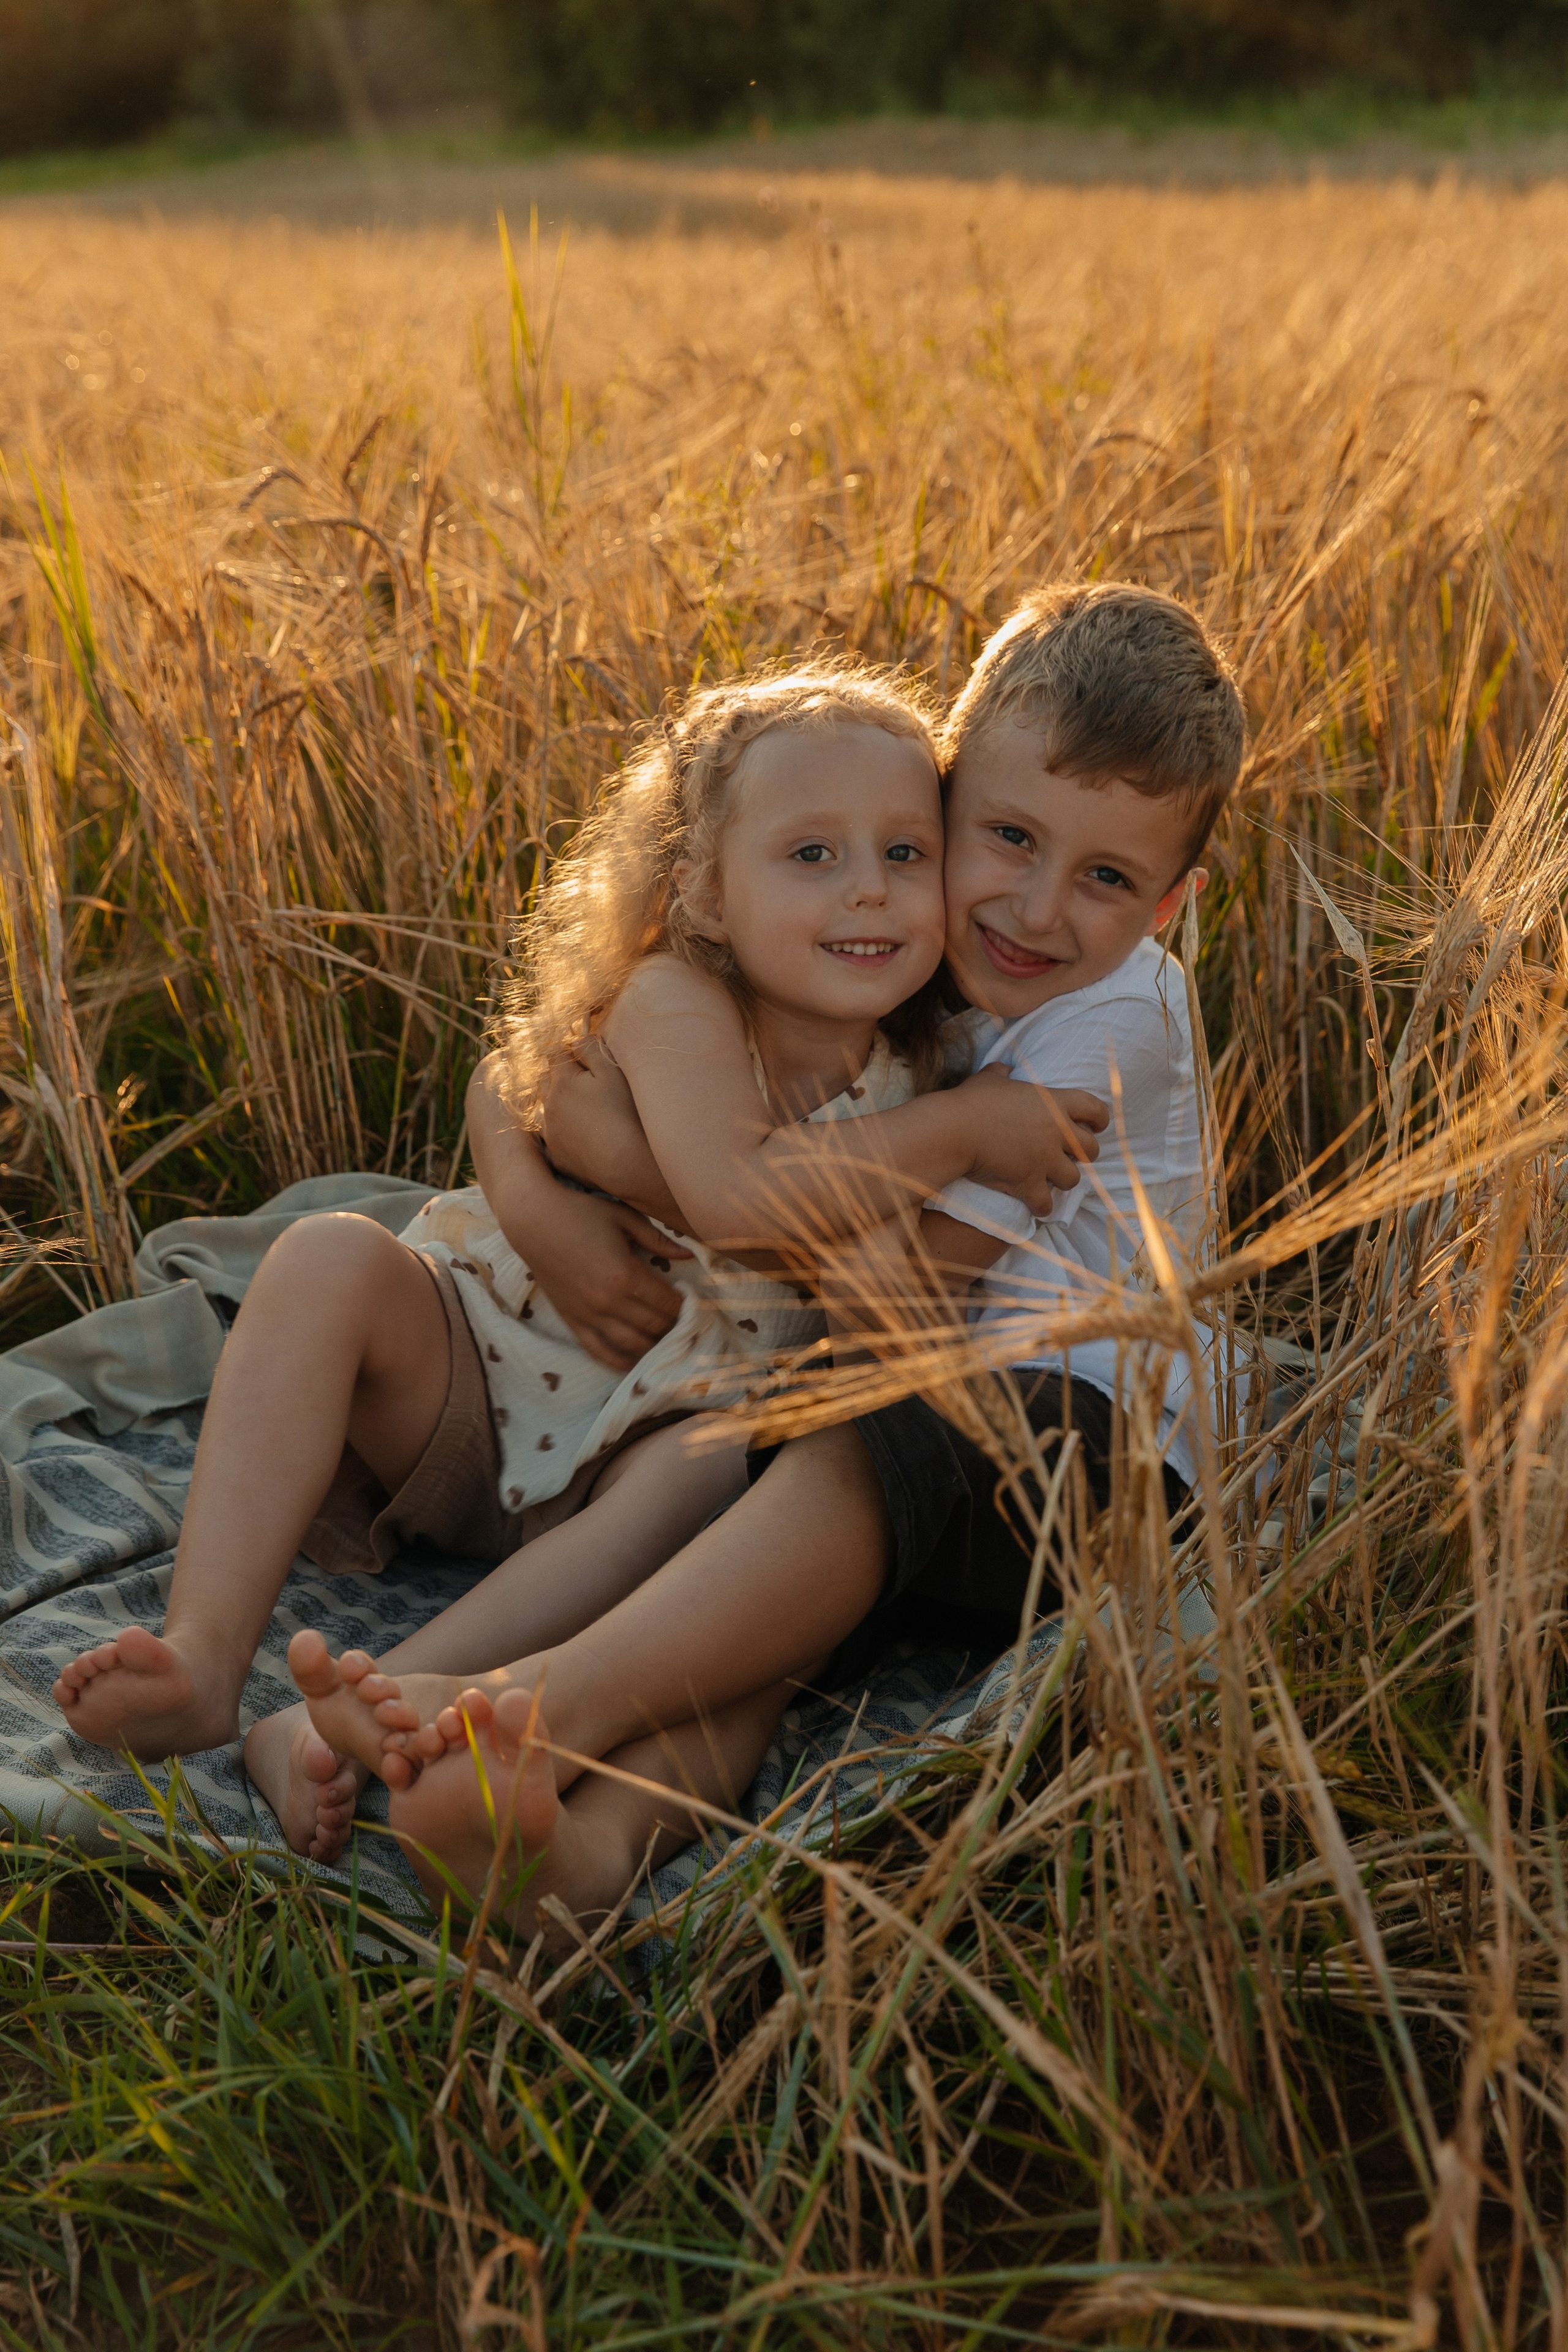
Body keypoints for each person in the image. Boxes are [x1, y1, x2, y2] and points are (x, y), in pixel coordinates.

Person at [287, 581, 1248, 1939]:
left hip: (1094, 1442)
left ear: (1168, 905)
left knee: (847, 1454)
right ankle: (571, 1856)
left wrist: (657, 1171)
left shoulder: (1105, 1025)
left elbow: (884, 1301)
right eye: (1007, 839)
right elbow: (555, 1050)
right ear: (945, 802)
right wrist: (532, 1175)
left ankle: (508, 1715)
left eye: (1103, 879)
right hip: (881, 1410)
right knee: (751, 1634)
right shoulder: (913, 936)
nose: (1033, 908)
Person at [50, 662, 1095, 1854]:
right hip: (485, 1376)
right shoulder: (680, 1000)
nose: (868, 892)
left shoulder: (929, 1052)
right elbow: (734, 1190)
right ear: (700, 892)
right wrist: (964, 1133)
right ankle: (202, 1654)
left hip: (645, 1477)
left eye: (905, 854)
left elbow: (889, 1291)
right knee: (326, 1258)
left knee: (709, 1466)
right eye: (811, 855)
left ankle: (358, 1713)